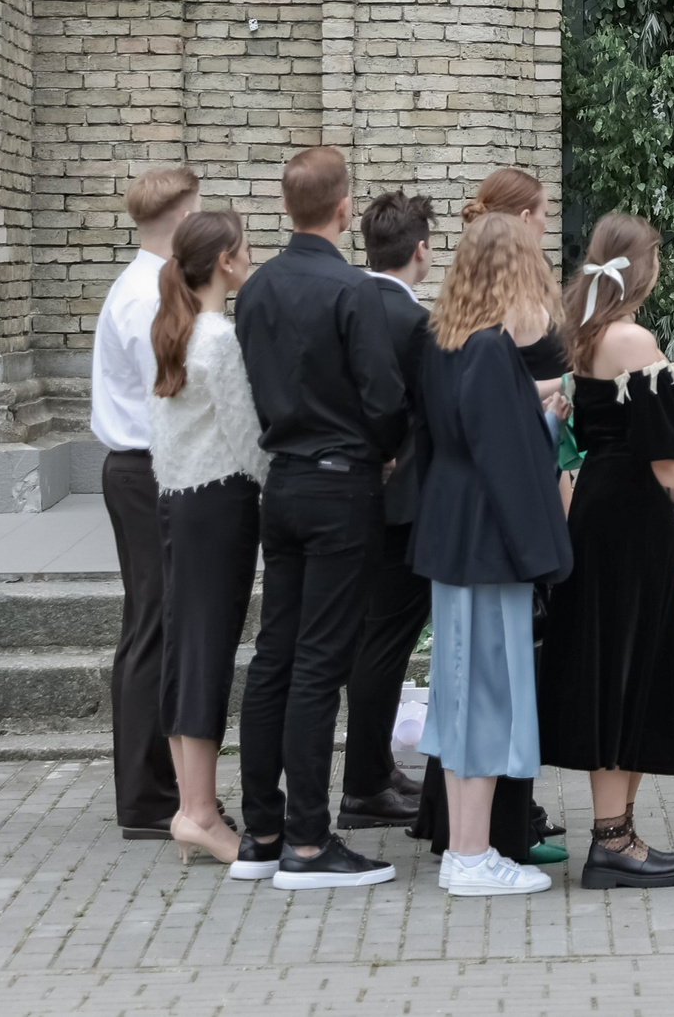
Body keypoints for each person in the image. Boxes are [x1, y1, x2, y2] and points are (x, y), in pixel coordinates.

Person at [232, 145, 406, 890]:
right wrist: (387, 450)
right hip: (341, 486)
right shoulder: (354, 291)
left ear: (284, 206)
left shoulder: (257, 287)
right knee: (319, 662)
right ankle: (307, 840)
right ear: (343, 209)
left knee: (275, 655)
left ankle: (261, 829)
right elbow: (385, 397)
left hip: (283, 482)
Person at [411, 168, 572, 865]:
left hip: (448, 528)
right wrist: (549, 547)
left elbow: (458, 426)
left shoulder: (444, 336)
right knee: (482, 695)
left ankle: (466, 849)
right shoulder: (488, 347)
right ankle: (472, 856)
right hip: (485, 539)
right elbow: (503, 451)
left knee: (456, 693)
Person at [539, 214, 674, 889]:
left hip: (603, 508)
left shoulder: (582, 333)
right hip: (629, 515)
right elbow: (664, 450)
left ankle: (621, 830)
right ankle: (611, 838)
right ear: (643, 268)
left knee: (623, 659)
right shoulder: (632, 337)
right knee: (623, 661)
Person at [147, 210, 265, 868]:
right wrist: (282, 485)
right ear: (225, 260)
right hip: (218, 502)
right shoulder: (217, 335)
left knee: (187, 649)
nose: (251, 256)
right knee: (206, 654)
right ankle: (197, 811)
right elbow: (247, 437)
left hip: (179, 500)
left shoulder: (178, 326)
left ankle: (196, 804)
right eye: (245, 248)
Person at [91, 164, 199, 840]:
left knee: (152, 622)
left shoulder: (150, 286)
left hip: (147, 467)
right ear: (183, 218)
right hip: (146, 470)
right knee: (152, 628)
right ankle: (145, 796)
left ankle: (153, 786)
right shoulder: (144, 297)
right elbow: (174, 389)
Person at [337, 191, 436, 833]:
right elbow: (422, 409)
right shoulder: (413, 322)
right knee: (385, 644)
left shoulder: (343, 301)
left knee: (373, 641)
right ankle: (366, 784)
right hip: (400, 502)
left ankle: (373, 767)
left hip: (348, 494)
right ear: (422, 249)